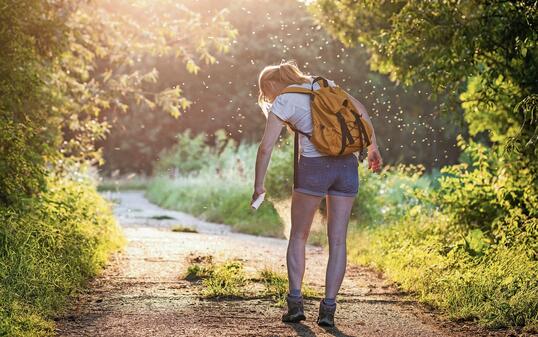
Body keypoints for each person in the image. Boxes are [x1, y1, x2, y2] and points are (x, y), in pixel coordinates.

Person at [252, 60, 382, 327]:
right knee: (338, 241)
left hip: (313, 168)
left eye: (266, 93)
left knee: (299, 235)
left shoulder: (284, 100)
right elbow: (361, 110)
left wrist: (258, 185)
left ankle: (296, 305)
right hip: (346, 165)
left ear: (271, 85)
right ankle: (328, 310)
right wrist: (372, 148)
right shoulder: (324, 85)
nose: (268, 98)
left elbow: (266, 148)